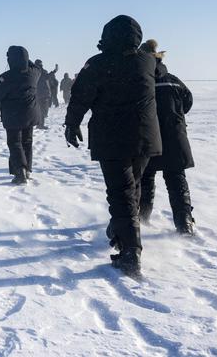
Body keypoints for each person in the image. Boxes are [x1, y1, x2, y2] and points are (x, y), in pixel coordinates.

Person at [64, 15, 161, 277]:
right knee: (134, 186)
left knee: (122, 193)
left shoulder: (98, 63)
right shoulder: (147, 61)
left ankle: (130, 253)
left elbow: (80, 95)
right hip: (145, 137)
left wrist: (71, 124)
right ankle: (122, 231)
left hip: (114, 137)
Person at [137, 40, 196, 235]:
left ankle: (142, 219)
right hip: (175, 136)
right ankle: (185, 223)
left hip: (149, 137)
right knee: (177, 180)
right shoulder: (174, 80)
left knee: (146, 178)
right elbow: (187, 102)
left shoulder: (141, 80)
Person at [0, 46, 41, 184]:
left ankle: (20, 172)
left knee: (14, 142)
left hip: (14, 115)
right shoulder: (34, 73)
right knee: (27, 141)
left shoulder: (7, 77)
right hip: (31, 113)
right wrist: (25, 59)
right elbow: (35, 66)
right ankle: (27, 170)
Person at [34, 60, 57, 129]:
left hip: (37, 94)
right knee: (43, 110)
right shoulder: (43, 72)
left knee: (39, 110)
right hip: (44, 94)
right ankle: (40, 125)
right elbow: (48, 76)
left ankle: (39, 124)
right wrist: (54, 71)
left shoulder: (33, 71)